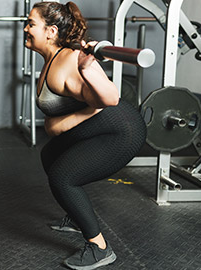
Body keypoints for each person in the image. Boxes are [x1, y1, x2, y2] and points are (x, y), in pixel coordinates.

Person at [24, 2, 146, 269]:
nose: (25, 28)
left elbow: (110, 98)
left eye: (31, 23)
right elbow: (65, 116)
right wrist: (57, 127)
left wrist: (89, 67)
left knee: (62, 178)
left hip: (121, 130)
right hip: (101, 124)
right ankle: (76, 216)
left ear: (51, 31)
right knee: (51, 154)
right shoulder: (52, 59)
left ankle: (99, 247)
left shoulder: (70, 60)